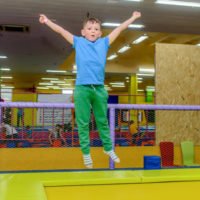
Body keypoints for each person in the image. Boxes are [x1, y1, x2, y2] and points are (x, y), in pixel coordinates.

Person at [39, 11, 141, 168]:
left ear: (100, 33)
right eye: (89, 28)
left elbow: (119, 29)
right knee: (83, 122)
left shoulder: (104, 43)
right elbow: (61, 31)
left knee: (102, 121)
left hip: (99, 89)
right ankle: (86, 153)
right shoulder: (78, 42)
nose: (93, 31)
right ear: (83, 32)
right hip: (82, 89)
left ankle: (108, 148)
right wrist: (47, 21)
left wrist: (133, 18)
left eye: (96, 29)